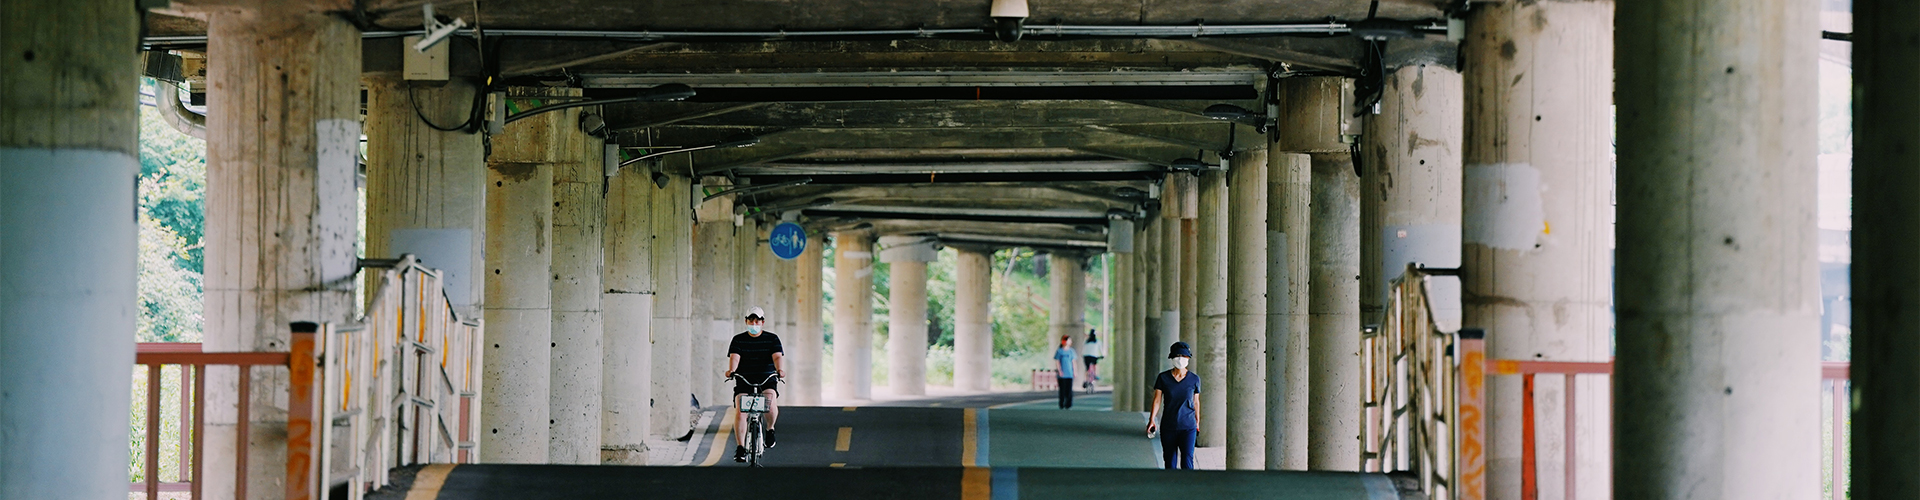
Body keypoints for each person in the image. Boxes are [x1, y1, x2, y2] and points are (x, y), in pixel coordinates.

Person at [724, 306, 785, 463]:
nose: (754, 322)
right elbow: (735, 357)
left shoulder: (772, 339)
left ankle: (770, 429)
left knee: (770, 404)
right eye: (751, 320)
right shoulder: (738, 339)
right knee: (741, 412)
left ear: (763, 322)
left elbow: (777, 356)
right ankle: (740, 448)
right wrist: (732, 370)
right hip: (744, 379)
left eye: (757, 320)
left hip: (767, 378)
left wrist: (780, 369)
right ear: (746, 321)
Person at [1147, 341, 1201, 470]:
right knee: (1170, 462)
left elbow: (1196, 401)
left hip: (1188, 426)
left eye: (1183, 356)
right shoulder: (1163, 378)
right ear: (1171, 358)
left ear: (1188, 358)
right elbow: (1157, 400)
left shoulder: (1194, 379)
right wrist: (1152, 420)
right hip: (1168, 426)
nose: (1180, 359)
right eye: (1177, 356)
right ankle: (1171, 488)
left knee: (1187, 461)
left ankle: (1187, 488)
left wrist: (1198, 421)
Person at [1052, 335, 1077, 409]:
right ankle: (1061, 403)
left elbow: (1073, 362)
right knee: (1062, 389)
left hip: (1069, 373)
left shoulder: (1071, 351)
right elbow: (1057, 361)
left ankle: (1068, 404)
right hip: (1062, 374)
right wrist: (1059, 370)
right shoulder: (1059, 351)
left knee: (1069, 390)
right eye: (1069, 340)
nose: (1070, 342)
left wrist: (1075, 371)